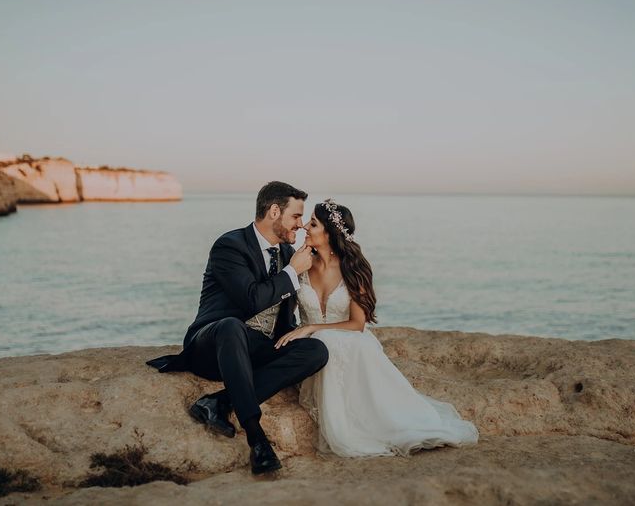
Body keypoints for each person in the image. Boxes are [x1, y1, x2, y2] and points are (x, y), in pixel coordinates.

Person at [146, 181, 329, 474]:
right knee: (232, 326)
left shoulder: (286, 251)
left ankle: (218, 402)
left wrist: (296, 332)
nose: (301, 224)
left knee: (316, 350)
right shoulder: (229, 246)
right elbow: (252, 299)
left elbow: (285, 311)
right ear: (273, 212)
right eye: (296, 216)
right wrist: (293, 272)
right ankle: (257, 439)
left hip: (256, 349)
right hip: (215, 344)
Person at [276, 199, 479, 457]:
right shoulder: (301, 263)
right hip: (310, 351)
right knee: (321, 344)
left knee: (328, 341)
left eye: (313, 223)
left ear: (329, 232)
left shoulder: (353, 268)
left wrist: (312, 328)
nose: (305, 226)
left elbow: (357, 324)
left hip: (349, 340)